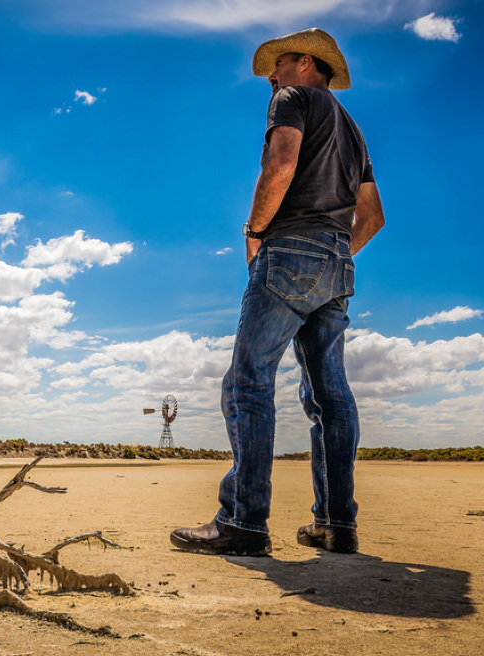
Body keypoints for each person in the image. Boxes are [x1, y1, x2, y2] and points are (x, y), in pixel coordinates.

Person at [170, 28, 385, 556]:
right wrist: (334, 256)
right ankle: (336, 523)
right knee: (329, 396)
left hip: (289, 247)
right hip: (336, 262)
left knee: (247, 383)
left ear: (306, 62)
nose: (271, 75)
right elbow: (373, 218)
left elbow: (281, 164)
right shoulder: (354, 131)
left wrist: (255, 232)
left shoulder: (294, 99)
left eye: (279, 63)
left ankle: (244, 522)